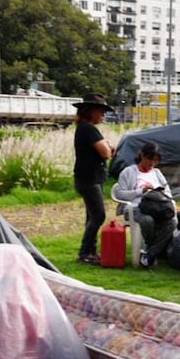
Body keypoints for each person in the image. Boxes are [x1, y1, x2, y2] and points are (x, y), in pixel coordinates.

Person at [114, 141, 176, 267]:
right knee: (147, 221)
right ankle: (154, 252)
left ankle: (150, 253)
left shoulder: (157, 173)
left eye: (155, 161)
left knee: (172, 222)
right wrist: (140, 191)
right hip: (135, 208)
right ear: (142, 156)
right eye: (150, 160)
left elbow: (168, 192)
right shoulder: (128, 172)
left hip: (156, 208)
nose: (152, 164)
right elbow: (120, 194)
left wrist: (158, 192)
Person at [72, 92, 116, 265]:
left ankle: (91, 251)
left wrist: (107, 146)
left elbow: (107, 147)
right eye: (101, 111)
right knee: (99, 214)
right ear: (91, 111)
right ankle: (84, 252)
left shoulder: (85, 128)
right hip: (89, 179)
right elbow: (106, 152)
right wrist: (108, 147)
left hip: (89, 178)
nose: (104, 115)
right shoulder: (88, 129)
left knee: (91, 215)